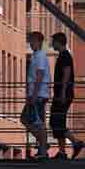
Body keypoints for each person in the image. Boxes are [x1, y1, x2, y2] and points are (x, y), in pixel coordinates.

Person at [49, 33, 85, 159]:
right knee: (57, 122)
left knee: (56, 122)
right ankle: (62, 151)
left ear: (59, 42)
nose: (52, 44)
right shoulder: (63, 55)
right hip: (61, 94)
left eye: (53, 41)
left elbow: (67, 73)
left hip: (63, 94)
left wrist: (63, 92)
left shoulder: (65, 56)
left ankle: (75, 143)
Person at [23, 31, 51, 159]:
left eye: (33, 41)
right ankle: (43, 145)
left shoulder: (40, 56)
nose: (31, 43)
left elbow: (40, 75)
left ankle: (43, 149)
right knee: (26, 119)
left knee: (38, 123)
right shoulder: (36, 55)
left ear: (39, 42)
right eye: (30, 41)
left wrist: (34, 94)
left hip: (38, 95)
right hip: (35, 94)